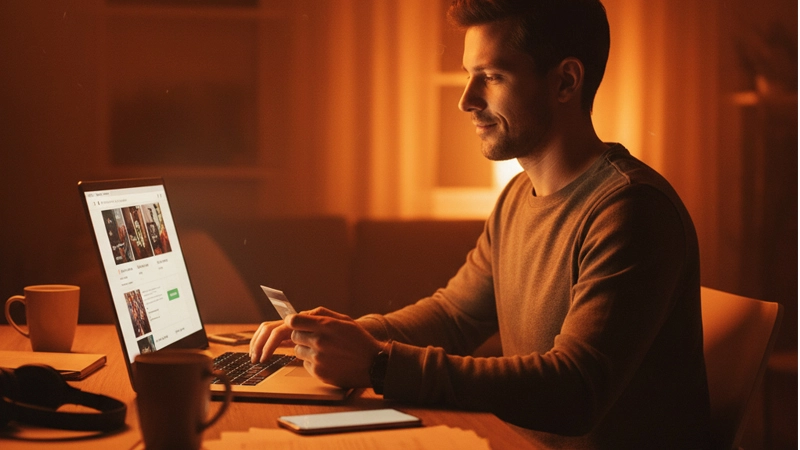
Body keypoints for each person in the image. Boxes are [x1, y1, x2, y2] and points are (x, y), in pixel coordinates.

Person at [250, 0, 711, 447]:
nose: (466, 101)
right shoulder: (516, 197)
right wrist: (348, 333)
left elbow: (575, 389)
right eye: (471, 76)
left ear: (566, 81)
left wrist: (378, 363)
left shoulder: (630, 209)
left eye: (491, 77)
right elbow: (454, 316)